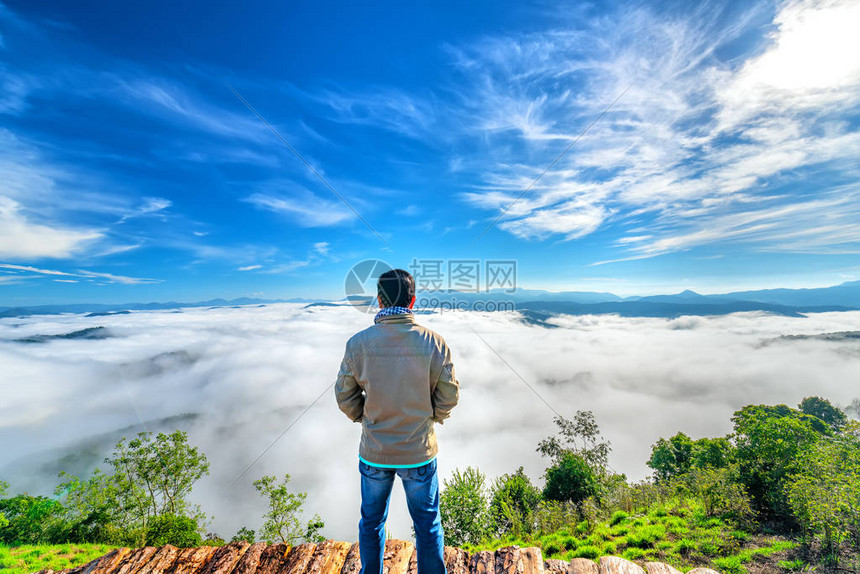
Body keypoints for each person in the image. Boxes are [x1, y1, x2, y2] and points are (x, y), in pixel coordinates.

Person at [335, 268, 459, 574]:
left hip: (375, 449)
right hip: (418, 450)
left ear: (379, 301)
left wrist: (365, 418)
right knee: (428, 524)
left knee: (372, 521)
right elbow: (449, 396)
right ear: (413, 300)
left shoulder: (358, 343)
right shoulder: (434, 342)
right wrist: (431, 417)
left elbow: (344, 395)